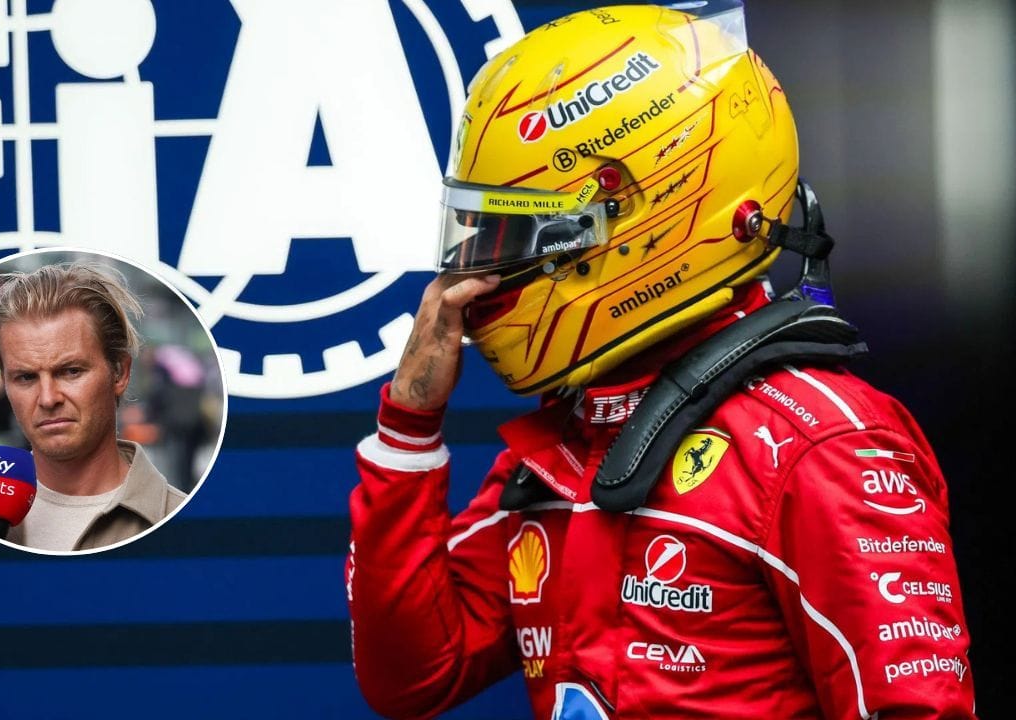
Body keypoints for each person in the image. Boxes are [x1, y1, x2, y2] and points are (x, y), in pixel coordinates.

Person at [346, 4, 976, 718]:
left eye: (516, 236)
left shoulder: (820, 446)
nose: (477, 279)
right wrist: (408, 427)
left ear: (639, 215)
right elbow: (411, 677)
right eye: (482, 237)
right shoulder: (567, 447)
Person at [0, 261, 186, 552]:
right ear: (4, 383)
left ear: (119, 373)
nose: (47, 398)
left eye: (71, 371)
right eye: (25, 377)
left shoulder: (181, 521)